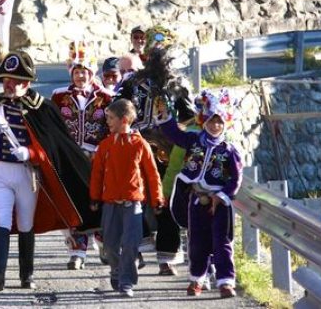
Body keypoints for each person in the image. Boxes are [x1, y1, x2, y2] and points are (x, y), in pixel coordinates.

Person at [0, 51, 100, 291]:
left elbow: (53, 147)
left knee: (26, 223)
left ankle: (27, 275)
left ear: (26, 83)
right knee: (2, 220)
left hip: (27, 174)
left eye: (14, 81)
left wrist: (31, 153)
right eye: (5, 80)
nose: (8, 86)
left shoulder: (41, 109)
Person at [117, 25, 195, 276]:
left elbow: (190, 116)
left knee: (166, 201)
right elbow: (117, 110)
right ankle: (135, 248)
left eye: (164, 49)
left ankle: (167, 257)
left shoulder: (179, 83)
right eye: (155, 49)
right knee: (134, 198)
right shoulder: (133, 81)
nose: (159, 54)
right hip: (137, 146)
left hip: (169, 151)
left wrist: (180, 133)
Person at [156, 88, 243, 298]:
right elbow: (174, 134)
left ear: (226, 123)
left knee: (222, 242)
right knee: (196, 242)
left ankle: (225, 283)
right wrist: (165, 113)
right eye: (212, 121)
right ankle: (197, 280)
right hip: (195, 199)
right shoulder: (194, 140)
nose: (215, 125)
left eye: (220, 122)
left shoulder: (229, 150)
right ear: (204, 121)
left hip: (219, 203)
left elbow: (236, 179)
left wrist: (221, 196)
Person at [90, 99, 164, 298]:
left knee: (131, 244)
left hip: (133, 204)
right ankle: (116, 270)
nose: (108, 122)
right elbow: (97, 173)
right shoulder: (105, 145)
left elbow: (152, 174)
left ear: (124, 120)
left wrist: (157, 199)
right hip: (110, 204)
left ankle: (126, 281)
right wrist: (94, 197)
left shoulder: (141, 145)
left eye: (111, 118)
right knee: (110, 245)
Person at [51, 41, 113, 270]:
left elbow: (112, 127)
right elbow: (54, 127)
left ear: (91, 73)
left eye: (84, 72)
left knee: (99, 202)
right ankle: (77, 251)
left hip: (98, 158)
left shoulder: (106, 97)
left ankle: (105, 244)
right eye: (76, 72)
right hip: (70, 158)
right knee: (74, 203)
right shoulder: (58, 96)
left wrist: (102, 152)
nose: (80, 76)